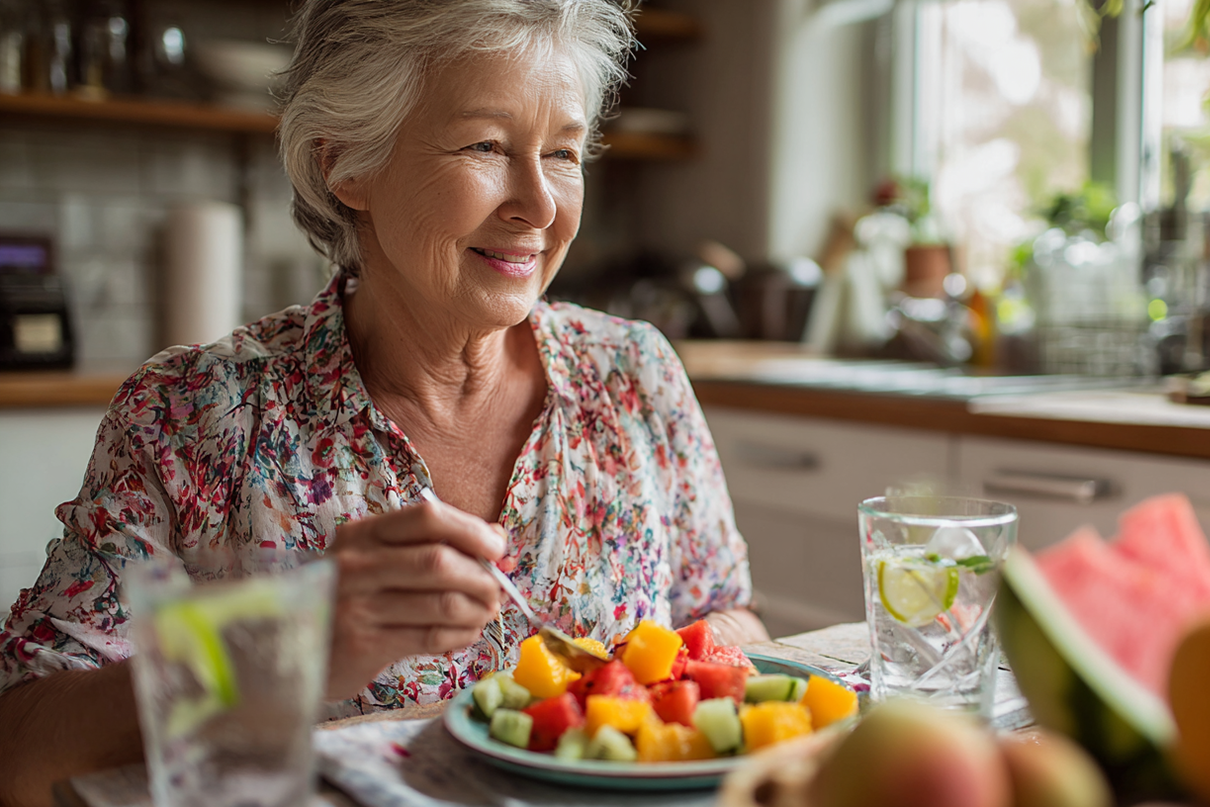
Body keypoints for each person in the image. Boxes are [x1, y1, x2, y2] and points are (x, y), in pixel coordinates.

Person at [0, 1, 765, 802]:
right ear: (346, 164)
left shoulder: (635, 373)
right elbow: (20, 750)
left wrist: (626, 690)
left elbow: (732, 619)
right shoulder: (194, 414)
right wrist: (285, 647)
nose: (540, 205)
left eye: (564, 153)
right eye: (487, 145)